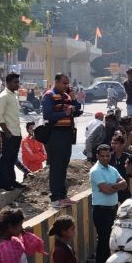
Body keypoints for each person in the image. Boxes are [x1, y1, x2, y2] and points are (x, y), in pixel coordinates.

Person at [42, 73, 83, 208]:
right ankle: (55, 197)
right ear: (57, 82)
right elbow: (47, 114)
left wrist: (74, 99)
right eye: (64, 83)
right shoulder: (49, 95)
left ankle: (63, 195)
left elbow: (77, 111)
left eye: (67, 83)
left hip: (67, 135)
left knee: (64, 165)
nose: (67, 86)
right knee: (56, 166)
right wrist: (65, 113)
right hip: (55, 135)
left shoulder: (67, 96)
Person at [89, 145, 127, 263]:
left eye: (107, 156)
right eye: (102, 156)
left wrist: (112, 186)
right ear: (97, 156)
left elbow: (124, 184)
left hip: (112, 210)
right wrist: (115, 187)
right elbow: (106, 190)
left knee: (110, 241)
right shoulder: (95, 171)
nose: (105, 158)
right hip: (101, 211)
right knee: (103, 242)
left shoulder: (112, 169)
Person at [0, 73, 23, 190]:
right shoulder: (3, 96)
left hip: (16, 133)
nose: (17, 84)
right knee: (6, 160)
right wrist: (7, 132)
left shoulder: (14, 96)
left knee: (12, 159)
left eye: (18, 82)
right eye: (15, 82)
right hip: (9, 134)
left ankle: (12, 181)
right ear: (8, 83)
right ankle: (5, 184)